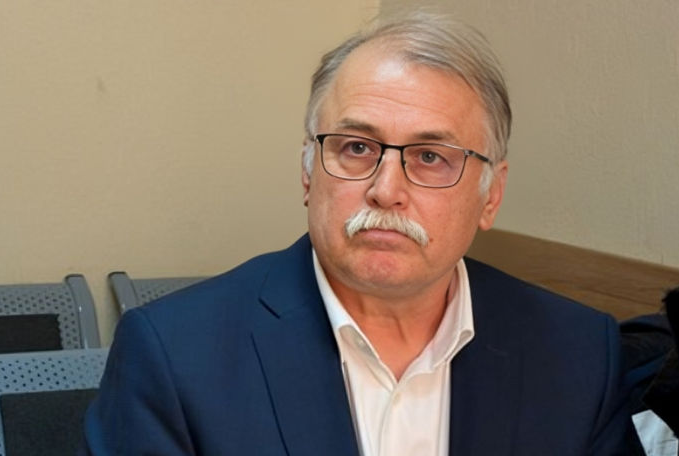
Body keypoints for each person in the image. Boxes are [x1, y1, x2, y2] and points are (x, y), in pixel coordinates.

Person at [81, 11, 633, 455]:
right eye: (357, 148)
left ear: (491, 195)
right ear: (307, 171)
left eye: (431, 157)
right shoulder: (174, 355)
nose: (386, 190)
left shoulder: (579, 354)